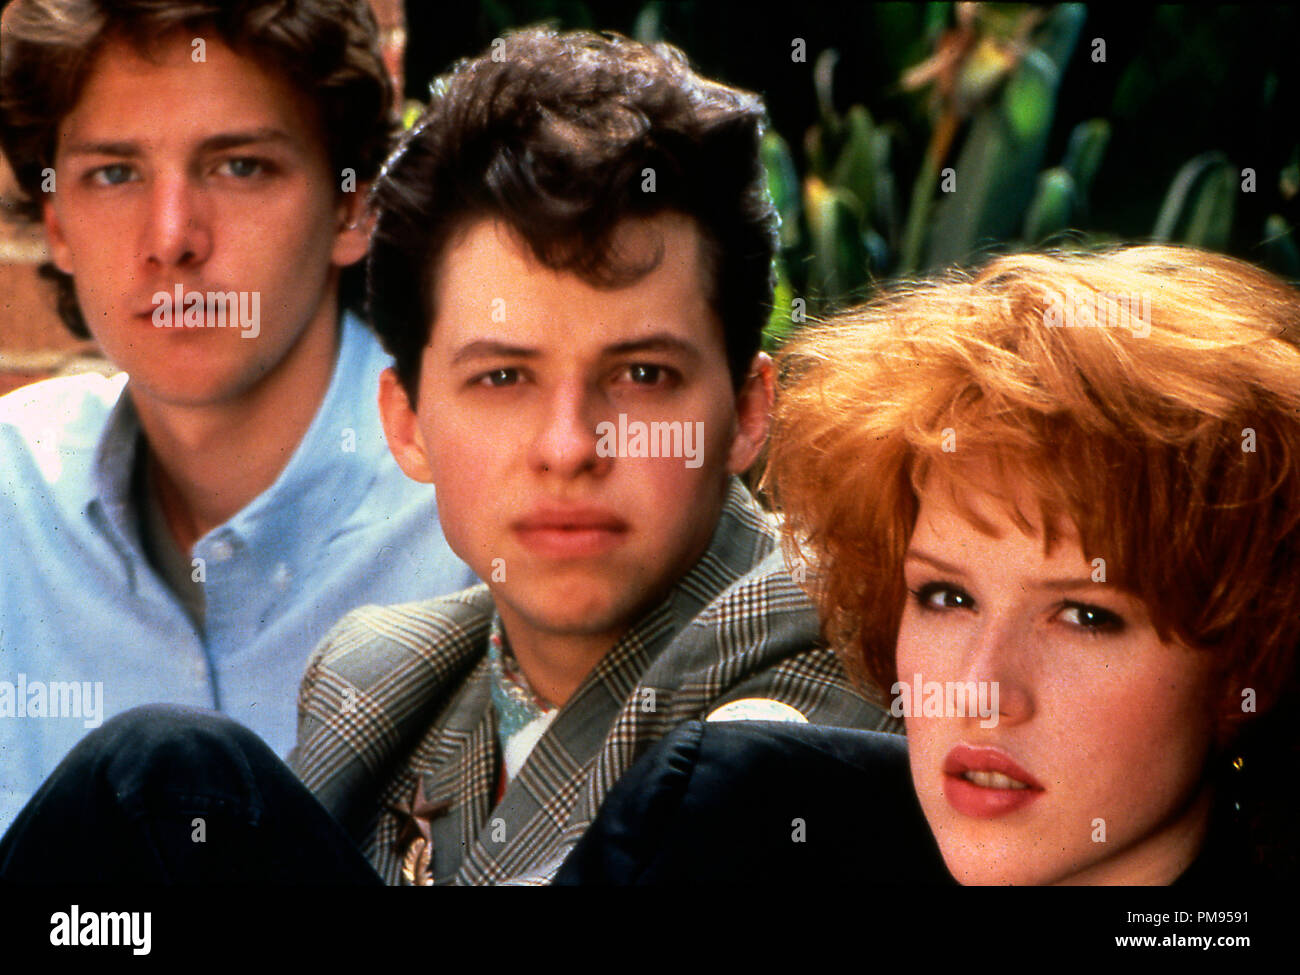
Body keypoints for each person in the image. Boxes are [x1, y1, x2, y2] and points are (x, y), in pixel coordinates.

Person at [0, 25, 891, 886]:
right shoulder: (382, 676)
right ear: (408, 423)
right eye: (504, 378)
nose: (569, 446)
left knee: (160, 780)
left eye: (644, 373)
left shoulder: (854, 652)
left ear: (744, 410)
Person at [557, 244, 1300, 886]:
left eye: (1087, 615)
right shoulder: (722, 822)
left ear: (1248, 665)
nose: (978, 691)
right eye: (946, 595)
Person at [0, 0, 475, 832]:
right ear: (57, 226)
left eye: (239, 166)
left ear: (352, 209)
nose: (172, 237)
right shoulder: (13, 499)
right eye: (115, 173)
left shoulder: (496, 508)